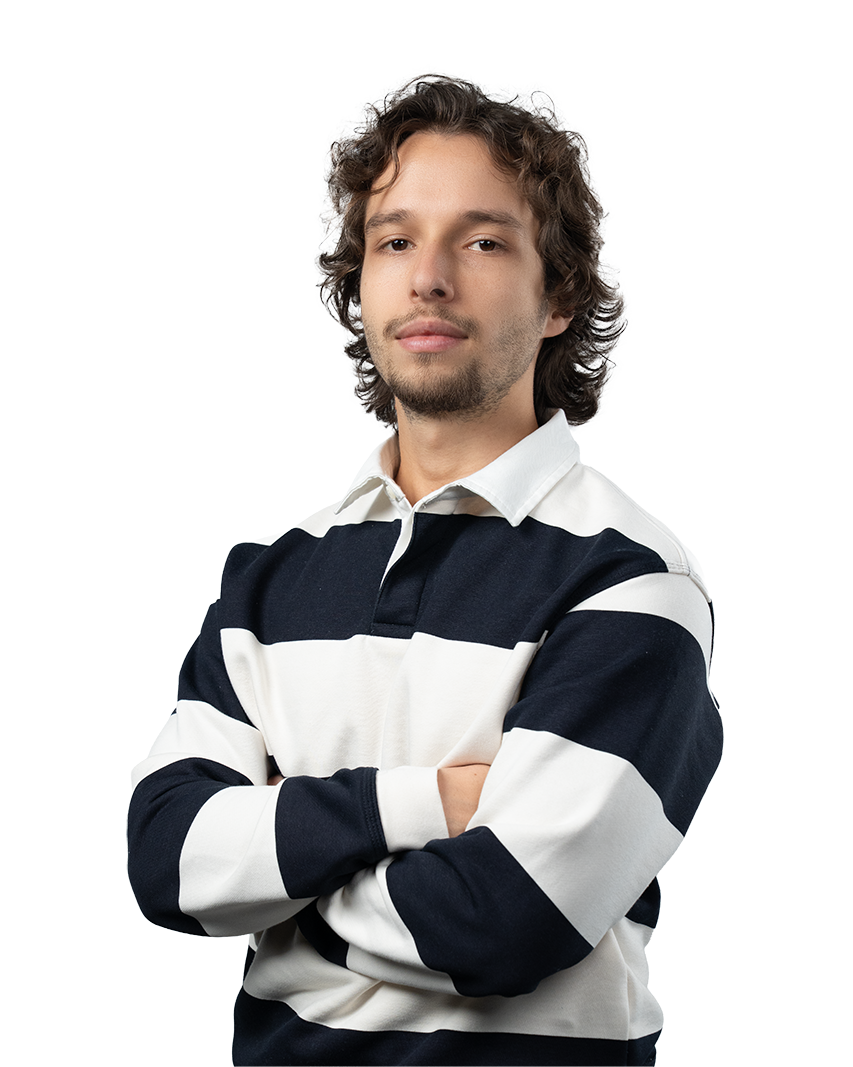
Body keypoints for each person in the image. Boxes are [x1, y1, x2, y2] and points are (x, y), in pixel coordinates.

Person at [127, 74, 722, 1067]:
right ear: (359, 284)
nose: (428, 276)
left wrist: (279, 893)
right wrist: (426, 804)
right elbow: (165, 862)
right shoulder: (263, 579)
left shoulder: (631, 584)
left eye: (483, 241)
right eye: (394, 240)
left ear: (559, 297)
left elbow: (505, 919)